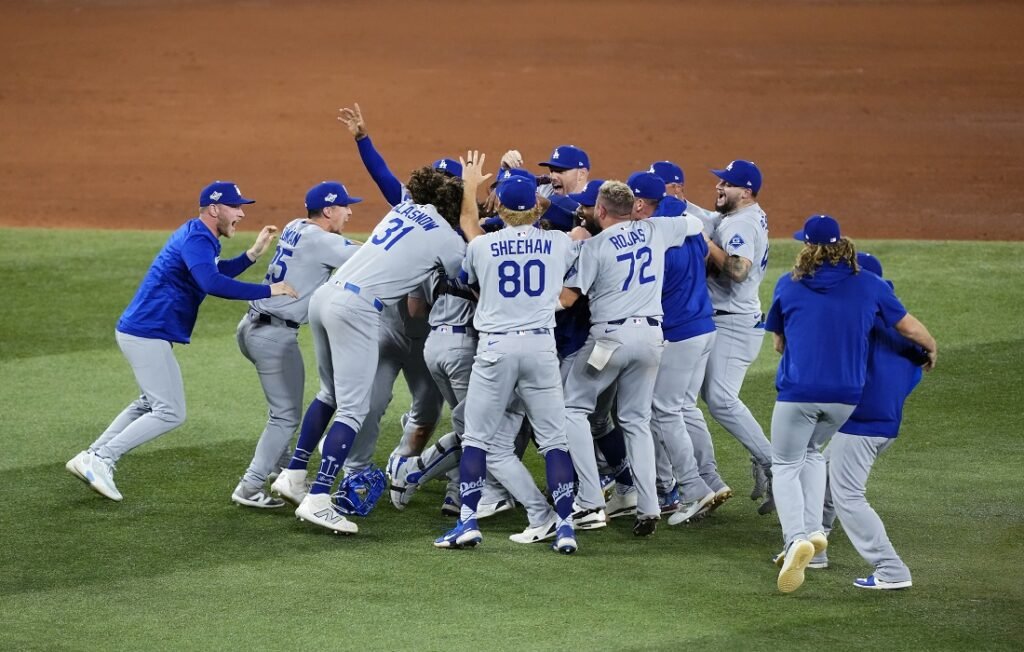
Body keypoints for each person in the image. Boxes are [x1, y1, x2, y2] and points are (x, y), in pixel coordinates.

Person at [66, 181, 297, 501]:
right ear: (215, 209)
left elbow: (212, 270)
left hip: (144, 330)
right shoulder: (197, 239)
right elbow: (211, 282)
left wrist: (252, 254)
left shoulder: (201, 237)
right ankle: (101, 459)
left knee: (148, 403)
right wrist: (270, 290)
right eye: (236, 207)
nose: (242, 214)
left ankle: (92, 455)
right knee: (169, 411)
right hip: (146, 333)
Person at [271, 161, 466, 535]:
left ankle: (294, 474)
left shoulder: (405, 209)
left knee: (329, 393)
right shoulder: (446, 236)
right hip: (357, 309)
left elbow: (391, 186)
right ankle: (320, 498)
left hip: (325, 297)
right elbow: (467, 276)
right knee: (354, 407)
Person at [764, 215, 936, 594]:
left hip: (804, 394)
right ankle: (815, 534)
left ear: (808, 247)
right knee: (812, 453)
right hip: (847, 400)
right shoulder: (869, 287)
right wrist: (932, 345)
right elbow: (908, 328)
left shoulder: (789, 284)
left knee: (787, 464)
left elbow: (778, 342)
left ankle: (798, 538)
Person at [434, 152, 579, 554]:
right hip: (540, 348)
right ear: (536, 206)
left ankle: (467, 523)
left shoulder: (483, 247)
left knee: (477, 439)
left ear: (499, 206)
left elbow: (468, 225)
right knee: (554, 442)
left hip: (496, 348)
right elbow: (570, 229)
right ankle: (565, 526)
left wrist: (470, 185)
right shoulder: (558, 243)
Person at [560, 181, 705, 537]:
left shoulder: (594, 246)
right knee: (636, 420)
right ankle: (649, 505)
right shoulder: (656, 229)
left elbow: (567, 299)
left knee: (572, 409)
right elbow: (696, 224)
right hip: (653, 340)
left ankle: (590, 499)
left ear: (602, 211)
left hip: (609, 342)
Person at [229, 181, 361, 509]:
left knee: (283, 409)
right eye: (345, 206)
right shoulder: (322, 240)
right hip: (274, 337)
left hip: (250, 327)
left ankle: (281, 466)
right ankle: (249, 486)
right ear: (329, 211)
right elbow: (368, 257)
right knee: (285, 417)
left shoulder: (296, 226)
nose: (350, 211)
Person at [824, 252, 926, 590]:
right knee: (824, 477)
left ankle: (891, 569)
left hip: (861, 424)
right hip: (886, 423)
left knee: (849, 496)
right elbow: (914, 373)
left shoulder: (859, 322)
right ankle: (814, 544)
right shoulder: (904, 331)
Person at [622, 171, 718, 525]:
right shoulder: (682, 222)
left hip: (680, 332)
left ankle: (692, 488)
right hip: (703, 327)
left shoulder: (659, 237)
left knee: (664, 410)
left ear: (643, 204)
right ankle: (707, 480)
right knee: (679, 407)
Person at [686, 159, 775, 515]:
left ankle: (773, 464)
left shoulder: (741, 224)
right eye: (719, 181)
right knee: (702, 398)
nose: (719, 187)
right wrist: (681, 203)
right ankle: (709, 475)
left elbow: (738, 269)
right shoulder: (739, 216)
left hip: (734, 324)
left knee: (720, 399)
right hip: (730, 320)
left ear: (747, 191)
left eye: (727, 183)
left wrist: (706, 245)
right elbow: (710, 219)